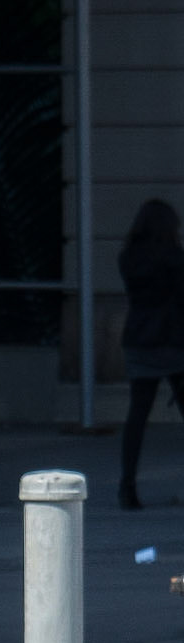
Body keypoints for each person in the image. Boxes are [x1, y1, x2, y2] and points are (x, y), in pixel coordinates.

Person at [117, 199, 184, 511]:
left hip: (140, 339)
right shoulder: (175, 258)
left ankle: (127, 487)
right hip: (173, 341)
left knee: (137, 417)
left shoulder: (129, 258)